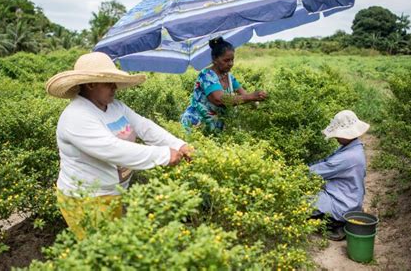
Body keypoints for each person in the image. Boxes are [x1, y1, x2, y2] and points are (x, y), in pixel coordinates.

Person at [46, 52, 192, 239]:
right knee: (102, 254)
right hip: (85, 199)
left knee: (116, 245)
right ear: (91, 85)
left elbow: (144, 126)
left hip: (112, 193)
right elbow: (113, 149)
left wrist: (179, 145)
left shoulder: (115, 107)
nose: (115, 87)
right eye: (109, 82)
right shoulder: (76, 116)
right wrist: (163, 155)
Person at [180, 37, 267, 132]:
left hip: (214, 127)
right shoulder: (207, 75)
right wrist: (251, 97)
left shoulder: (229, 77)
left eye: (232, 60)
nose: (230, 64)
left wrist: (257, 100)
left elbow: (244, 95)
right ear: (215, 59)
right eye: (226, 60)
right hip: (195, 124)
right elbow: (219, 100)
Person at [309, 110, 370, 241]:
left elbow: (316, 171)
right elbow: (326, 162)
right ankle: (336, 221)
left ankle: (336, 224)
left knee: (303, 201)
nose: (336, 137)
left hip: (342, 204)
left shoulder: (347, 157)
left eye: (337, 134)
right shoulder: (354, 147)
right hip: (349, 200)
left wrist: (295, 171)